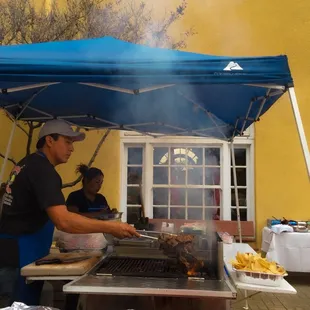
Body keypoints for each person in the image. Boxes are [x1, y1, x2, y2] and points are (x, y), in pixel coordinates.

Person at [0, 119, 138, 307]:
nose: (71, 148)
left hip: (15, 252)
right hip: (19, 256)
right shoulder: (42, 170)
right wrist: (111, 227)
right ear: (49, 140)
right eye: (68, 141)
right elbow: (64, 221)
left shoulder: (28, 163)